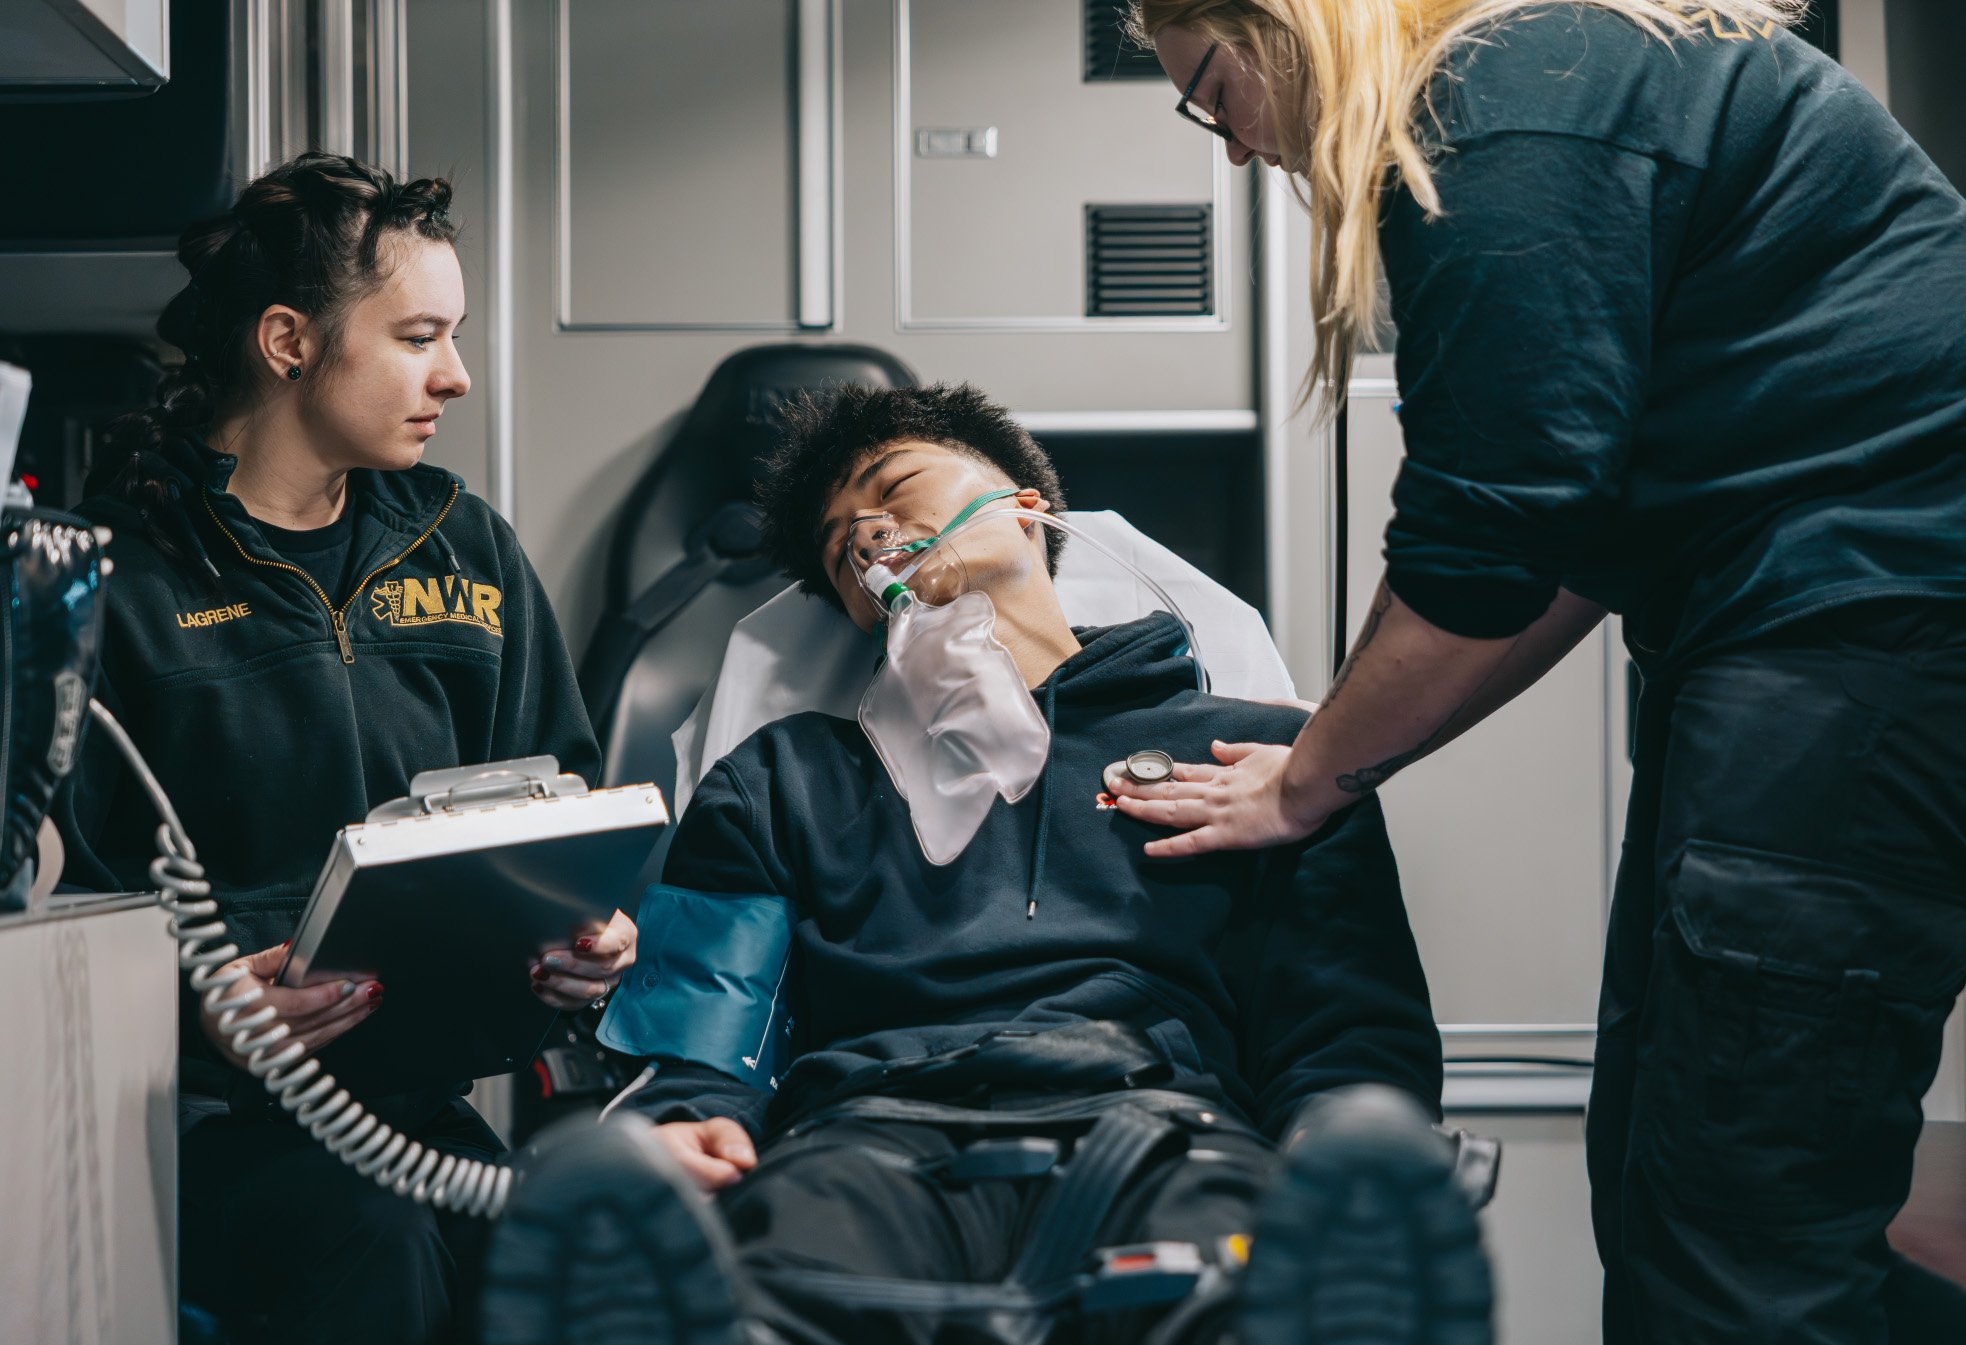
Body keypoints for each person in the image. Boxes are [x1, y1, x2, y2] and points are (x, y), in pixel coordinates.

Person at [1119, 3, 1966, 1341]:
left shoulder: (1498, 103)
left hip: (1863, 643)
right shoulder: (1553, 79)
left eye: (1210, 94)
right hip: (1820, 641)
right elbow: (1544, 534)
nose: (1228, 148)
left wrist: (1304, 785)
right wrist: (1328, 759)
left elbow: (1485, 543)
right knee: (1663, 1170)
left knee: (1733, 1237)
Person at [481, 383, 1492, 1345]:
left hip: (1165, 1128)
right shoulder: (782, 781)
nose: (871, 536)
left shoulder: (1264, 762)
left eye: (894, 490)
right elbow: (701, 1023)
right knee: (784, 1268)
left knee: (1242, 1279)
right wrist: (682, 1122)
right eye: (842, 548)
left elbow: (1346, 1029)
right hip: (868, 1137)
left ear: (1024, 508)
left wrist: (1330, 1141)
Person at [52, 152, 637, 1345]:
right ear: (287, 341)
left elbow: (563, 800)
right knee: (376, 1248)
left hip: (423, 1108)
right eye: (420, 336)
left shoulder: (465, 547)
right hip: (195, 1129)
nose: (456, 376)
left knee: (584, 1262)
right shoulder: (112, 575)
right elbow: (50, 904)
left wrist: (594, 941)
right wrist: (197, 1011)